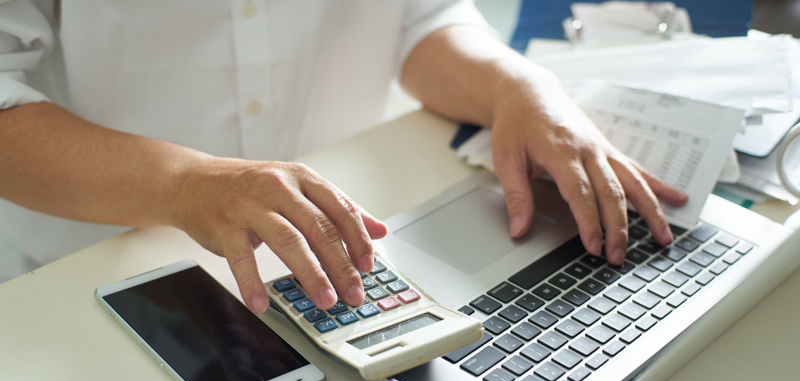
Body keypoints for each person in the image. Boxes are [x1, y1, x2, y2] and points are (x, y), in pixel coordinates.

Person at [0, 0, 687, 314]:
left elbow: (415, 18)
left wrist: (518, 87)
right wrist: (185, 183)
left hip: (343, 250)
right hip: (103, 271)